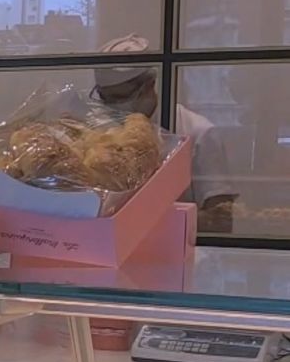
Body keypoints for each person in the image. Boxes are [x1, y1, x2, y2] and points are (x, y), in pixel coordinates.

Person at [91, 34, 237, 232]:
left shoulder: (198, 132)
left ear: (149, 85)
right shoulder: (100, 133)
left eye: (119, 97)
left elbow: (220, 219)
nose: (112, 106)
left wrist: (143, 222)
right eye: (104, 98)